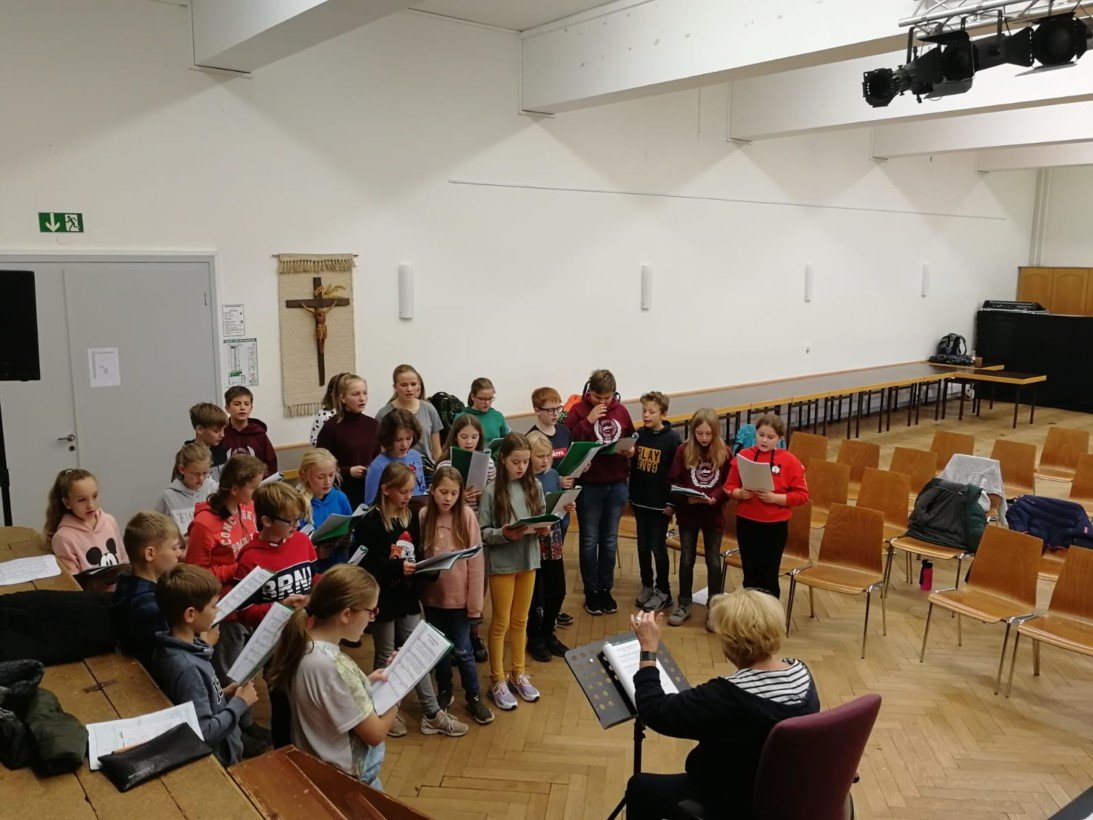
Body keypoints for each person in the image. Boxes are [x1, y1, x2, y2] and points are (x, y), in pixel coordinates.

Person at [625, 590, 820, 819]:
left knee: (640, 788)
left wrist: (648, 649)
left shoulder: (724, 697)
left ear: (729, 645)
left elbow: (654, 710)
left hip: (735, 800)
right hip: (788, 792)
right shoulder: (802, 674)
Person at [353, 462, 468, 738]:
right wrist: (397, 568)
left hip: (407, 596)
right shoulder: (369, 522)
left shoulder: (410, 517)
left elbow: (415, 554)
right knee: (385, 655)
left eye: (411, 490)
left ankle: (432, 713)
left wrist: (429, 569)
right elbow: (364, 566)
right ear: (386, 490)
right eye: (403, 491)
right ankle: (383, 709)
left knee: (415, 653)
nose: (408, 496)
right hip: (381, 600)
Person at [267, 565, 397, 790]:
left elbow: (329, 696)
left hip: (318, 770)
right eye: (371, 611)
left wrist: (364, 682)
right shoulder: (333, 666)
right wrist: (398, 691)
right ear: (346, 614)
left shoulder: (304, 645)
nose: (372, 619)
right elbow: (375, 734)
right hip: (346, 781)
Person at [151, 564, 260, 766]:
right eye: (213, 606)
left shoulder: (173, 649)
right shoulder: (187, 667)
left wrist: (224, 693)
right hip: (218, 761)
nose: (218, 610)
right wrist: (240, 704)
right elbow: (204, 731)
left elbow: (195, 700)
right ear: (190, 614)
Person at [418, 465, 494, 725]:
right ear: (433, 491)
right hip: (433, 599)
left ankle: (474, 696)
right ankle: (445, 689)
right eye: (443, 492)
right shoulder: (424, 515)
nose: (448, 498)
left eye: (453, 493)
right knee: (439, 649)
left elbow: (476, 563)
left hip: (460, 600)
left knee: (463, 650)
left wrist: (475, 605)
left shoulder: (467, 516)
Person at [478, 433, 548, 711]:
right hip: (503, 563)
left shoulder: (535, 486)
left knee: (521, 620)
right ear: (503, 460)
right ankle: (497, 679)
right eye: (515, 462)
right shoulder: (491, 491)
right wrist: (504, 534)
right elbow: (484, 532)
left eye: (525, 462)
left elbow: (543, 519)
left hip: (529, 559)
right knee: (500, 623)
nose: (521, 467)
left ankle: (518, 673)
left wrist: (545, 527)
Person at [184, 453, 265, 682]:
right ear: (234, 488)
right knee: (231, 675)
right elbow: (195, 575)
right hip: (226, 610)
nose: (256, 493)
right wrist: (237, 569)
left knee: (249, 671)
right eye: (253, 487)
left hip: (251, 600)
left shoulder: (248, 506)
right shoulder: (204, 524)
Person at [564, 369, 636, 616]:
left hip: (616, 482)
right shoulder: (578, 411)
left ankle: (606, 589)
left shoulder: (621, 410)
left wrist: (631, 450)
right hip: (590, 484)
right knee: (590, 539)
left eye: (608, 398)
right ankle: (591, 591)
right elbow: (569, 443)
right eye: (598, 397)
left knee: (609, 539)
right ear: (589, 392)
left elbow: (630, 436)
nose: (603, 402)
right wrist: (589, 421)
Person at [724, 414, 809, 599]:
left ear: (780, 438)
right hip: (747, 522)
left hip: (774, 526)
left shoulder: (790, 461)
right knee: (750, 574)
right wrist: (739, 493)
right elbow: (729, 487)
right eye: (761, 435)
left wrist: (775, 498)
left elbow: (802, 496)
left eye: (770, 437)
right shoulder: (744, 456)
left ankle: (769, 613)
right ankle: (750, 611)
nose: (764, 440)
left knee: (769, 575)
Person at [667, 409, 730, 628]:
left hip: (714, 515)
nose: (703, 438)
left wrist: (715, 497)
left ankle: (714, 607)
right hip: (689, 514)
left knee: (713, 560)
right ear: (692, 432)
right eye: (699, 433)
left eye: (708, 434)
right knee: (687, 559)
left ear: (716, 433)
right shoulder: (683, 450)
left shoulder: (724, 452)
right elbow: (673, 481)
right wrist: (687, 499)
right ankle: (684, 603)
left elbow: (729, 484)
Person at [233, 483, 317, 630]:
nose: (297, 525)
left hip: (306, 628)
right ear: (267, 521)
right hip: (272, 634)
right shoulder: (250, 558)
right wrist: (281, 606)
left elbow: (313, 578)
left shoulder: (303, 540)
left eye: (299, 518)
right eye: (291, 521)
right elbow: (244, 611)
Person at [525, 432, 576, 662]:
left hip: (552, 539)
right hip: (532, 540)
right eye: (539, 456)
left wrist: (568, 506)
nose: (545, 461)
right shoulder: (524, 480)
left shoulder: (554, 475)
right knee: (535, 595)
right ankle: (535, 637)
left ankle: (548, 632)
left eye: (548, 456)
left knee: (558, 590)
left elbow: (559, 505)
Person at [629, 392, 682, 613]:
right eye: (644, 411)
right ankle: (647, 585)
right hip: (640, 501)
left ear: (663, 414)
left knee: (657, 547)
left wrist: (672, 502)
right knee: (642, 546)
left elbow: (677, 472)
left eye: (652, 411)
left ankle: (664, 591)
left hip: (661, 505)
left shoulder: (672, 439)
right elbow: (632, 468)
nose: (646, 415)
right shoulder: (638, 435)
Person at [112, 511, 183, 670]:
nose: (179, 553)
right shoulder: (150, 607)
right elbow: (167, 660)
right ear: (150, 553)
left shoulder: (126, 582)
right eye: (174, 548)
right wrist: (205, 642)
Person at [45, 468, 124, 590]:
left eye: (95, 496)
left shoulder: (109, 521)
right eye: (82, 500)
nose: (90, 505)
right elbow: (72, 584)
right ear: (67, 503)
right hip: (92, 598)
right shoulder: (63, 538)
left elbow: (123, 559)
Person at [316, 373, 380, 509]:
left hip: (370, 489)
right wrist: (348, 471)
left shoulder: (373, 424)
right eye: (356, 394)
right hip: (341, 491)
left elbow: (378, 457)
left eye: (364, 393)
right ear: (343, 398)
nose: (362, 398)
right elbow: (319, 464)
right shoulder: (331, 427)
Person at [298, 447, 354, 572]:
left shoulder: (340, 497)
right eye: (321, 477)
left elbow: (351, 528)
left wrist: (348, 539)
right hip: (312, 571)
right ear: (304, 475)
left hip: (339, 566)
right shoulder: (297, 504)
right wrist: (315, 552)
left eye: (331, 475)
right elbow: (294, 546)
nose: (328, 481)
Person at [374, 364, 443, 461]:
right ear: (395, 387)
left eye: (413, 384)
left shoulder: (429, 409)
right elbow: (379, 449)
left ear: (419, 385)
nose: (409, 389)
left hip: (425, 466)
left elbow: (437, 450)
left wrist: (440, 466)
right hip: (396, 467)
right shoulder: (384, 414)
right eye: (404, 385)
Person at [362, 409, 427, 506]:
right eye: (398, 440)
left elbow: (422, 489)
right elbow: (370, 505)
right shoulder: (377, 467)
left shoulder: (415, 455)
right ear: (388, 438)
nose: (405, 444)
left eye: (408, 438)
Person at [434, 414, 497, 509]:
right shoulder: (445, 465)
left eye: (474, 437)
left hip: (480, 513)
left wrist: (484, 496)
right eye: (464, 437)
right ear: (455, 437)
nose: (469, 442)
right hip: (455, 513)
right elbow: (438, 498)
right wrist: (459, 497)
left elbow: (495, 494)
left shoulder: (488, 462)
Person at [156, 442, 217, 535]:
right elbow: (156, 530)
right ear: (182, 469)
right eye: (195, 474)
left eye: (205, 473)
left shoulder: (214, 490)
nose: (201, 478)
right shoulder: (169, 496)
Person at [221, 386, 278, 477]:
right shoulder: (221, 433)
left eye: (247, 404)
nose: (242, 408)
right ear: (227, 408)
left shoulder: (259, 434)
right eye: (237, 404)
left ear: (251, 408)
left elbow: (271, 464)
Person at [528, 386, 571, 467]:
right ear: (537, 411)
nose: (555, 414)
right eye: (550, 410)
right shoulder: (531, 439)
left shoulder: (564, 430)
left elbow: (571, 455)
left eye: (558, 408)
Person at [456, 377, 510, 442]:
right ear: (473, 396)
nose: (487, 403)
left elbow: (508, 440)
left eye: (490, 399)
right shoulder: (461, 418)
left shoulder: (497, 416)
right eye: (483, 399)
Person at [188, 402, 229, 482]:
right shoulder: (186, 455)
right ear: (199, 429)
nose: (222, 435)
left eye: (223, 429)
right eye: (216, 431)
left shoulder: (222, 452)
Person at [310, 372, 349, 447]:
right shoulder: (323, 415)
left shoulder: (354, 411)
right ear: (331, 393)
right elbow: (314, 441)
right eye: (340, 391)